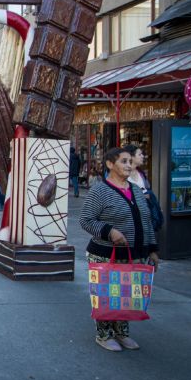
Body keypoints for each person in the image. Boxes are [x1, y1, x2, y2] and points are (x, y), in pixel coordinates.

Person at [79, 147, 159, 352]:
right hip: (105, 253)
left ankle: (122, 333)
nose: (128, 165)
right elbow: (86, 220)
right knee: (106, 295)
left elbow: (146, 222)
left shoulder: (135, 190)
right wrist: (109, 231)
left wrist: (152, 249)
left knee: (127, 295)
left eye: (130, 162)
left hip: (133, 254)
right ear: (109, 164)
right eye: (123, 161)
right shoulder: (100, 190)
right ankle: (104, 334)